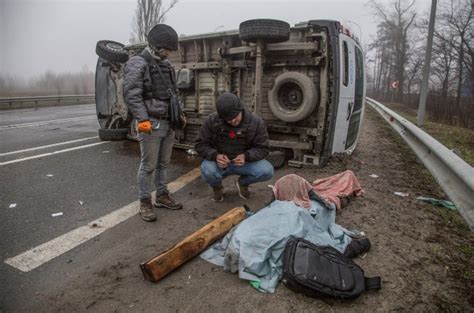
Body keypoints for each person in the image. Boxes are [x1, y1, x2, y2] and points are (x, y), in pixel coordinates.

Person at [123, 24, 183, 222]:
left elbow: (173, 93)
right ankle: (144, 201)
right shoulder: (137, 63)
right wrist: (142, 119)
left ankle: (162, 195)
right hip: (151, 123)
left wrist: (179, 113)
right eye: (167, 49)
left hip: (168, 122)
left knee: (163, 163)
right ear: (156, 46)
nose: (169, 53)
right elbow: (132, 95)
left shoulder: (166, 65)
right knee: (148, 165)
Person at [195, 92, 274, 201]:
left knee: (267, 171)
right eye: (228, 119)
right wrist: (215, 156)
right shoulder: (212, 121)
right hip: (220, 164)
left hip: (244, 163)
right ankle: (217, 187)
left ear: (240, 110)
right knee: (208, 171)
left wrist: (246, 156)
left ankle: (243, 183)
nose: (232, 121)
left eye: (235, 117)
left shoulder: (256, 122)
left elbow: (263, 148)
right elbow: (200, 144)